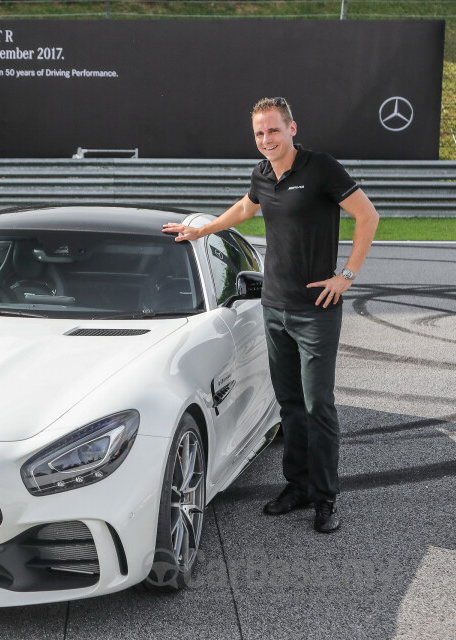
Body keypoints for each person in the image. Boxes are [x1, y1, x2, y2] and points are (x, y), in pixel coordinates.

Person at [162, 97, 379, 533]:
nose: (266, 139)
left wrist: (346, 277)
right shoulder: (262, 173)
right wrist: (200, 229)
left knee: (319, 406)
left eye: (274, 130)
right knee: (290, 405)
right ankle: (297, 487)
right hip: (274, 307)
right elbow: (245, 208)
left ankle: (325, 498)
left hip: (317, 310)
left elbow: (367, 216)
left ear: (292, 128)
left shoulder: (321, 168)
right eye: (260, 133)